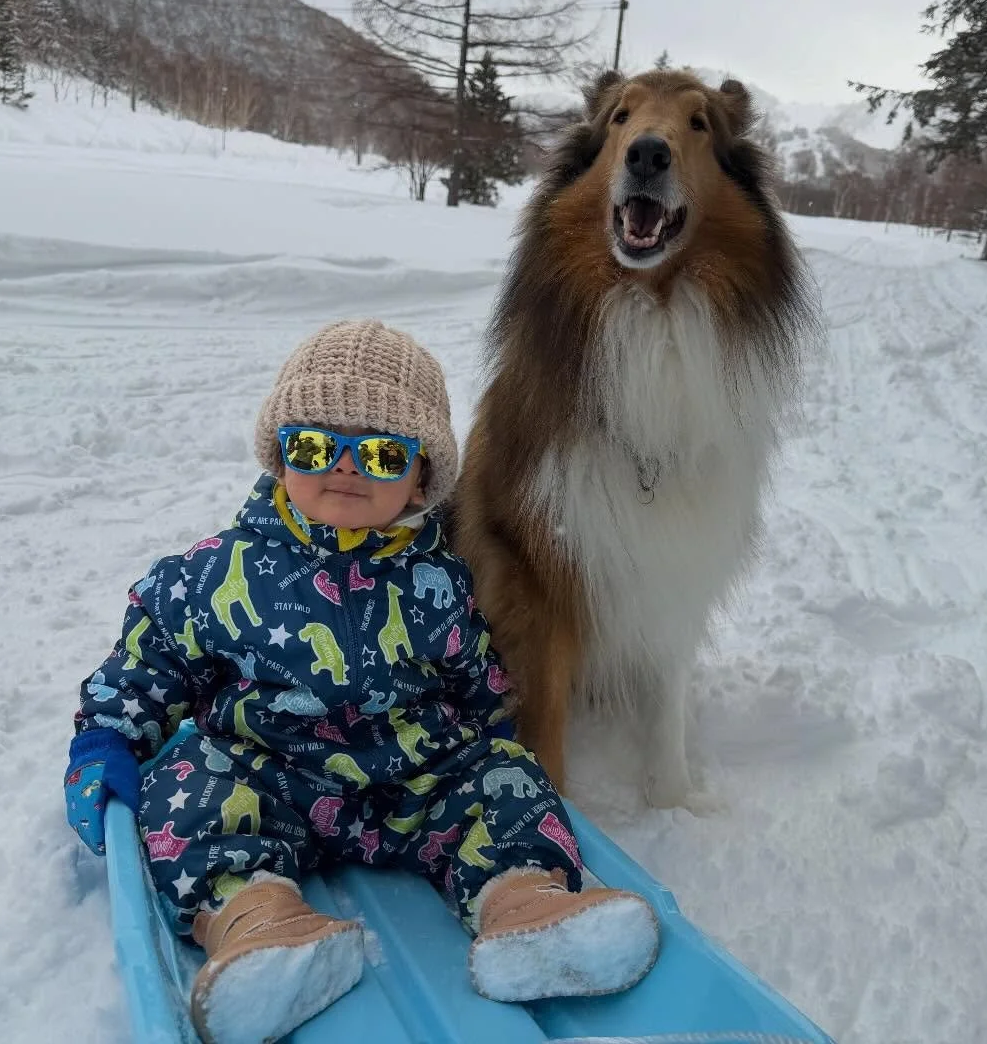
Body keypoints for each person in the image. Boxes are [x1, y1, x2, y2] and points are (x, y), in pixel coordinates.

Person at [63, 320, 659, 1044]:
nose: (344, 468)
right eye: (314, 446)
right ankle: (259, 926)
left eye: (380, 453)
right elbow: (151, 657)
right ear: (279, 456)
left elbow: (472, 671)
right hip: (272, 772)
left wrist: (493, 733)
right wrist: (106, 738)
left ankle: (526, 910)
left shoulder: (439, 580)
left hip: (415, 777)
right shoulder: (218, 575)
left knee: (504, 778)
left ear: (420, 477)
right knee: (188, 782)